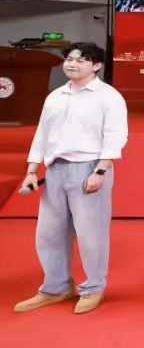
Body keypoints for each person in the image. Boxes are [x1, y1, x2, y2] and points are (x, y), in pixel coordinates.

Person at [13, 42, 129, 315]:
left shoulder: (108, 97)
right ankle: (56, 287)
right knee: (49, 234)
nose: (72, 64)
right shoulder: (56, 96)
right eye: (69, 59)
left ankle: (93, 288)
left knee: (91, 235)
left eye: (81, 60)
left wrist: (100, 170)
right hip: (55, 169)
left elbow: (116, 135)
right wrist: (32, 170)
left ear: (96, 65)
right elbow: (42, 133)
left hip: (89, 168)